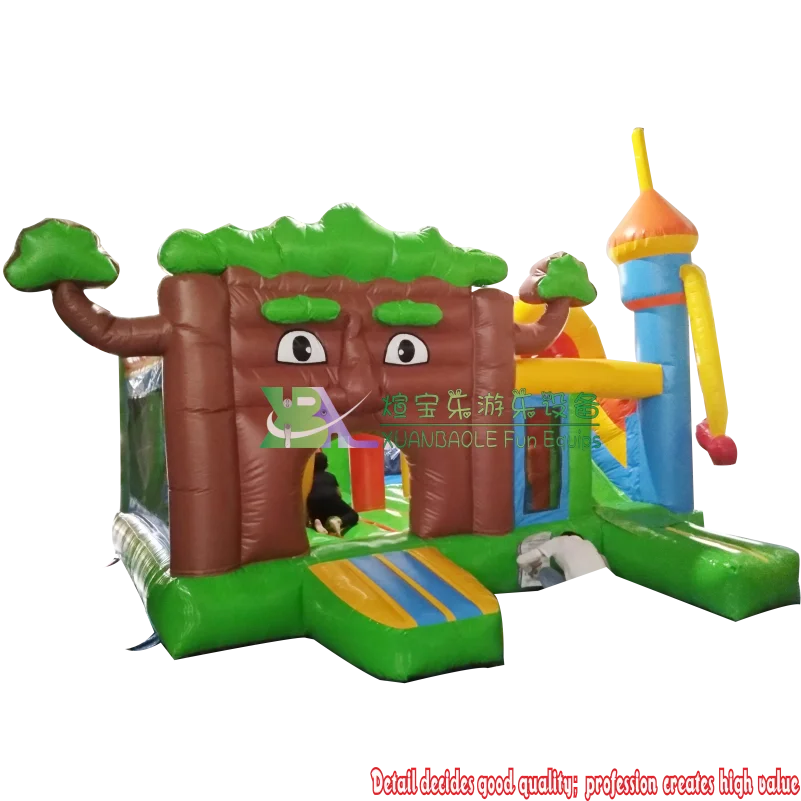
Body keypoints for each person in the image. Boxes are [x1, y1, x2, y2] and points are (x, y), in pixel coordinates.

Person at [306, 451, 359, 536]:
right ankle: (338, 521)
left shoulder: (309, 478)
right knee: (353, 515)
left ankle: (317, 523)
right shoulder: (330, 476)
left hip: (314, 500)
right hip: (331, 498)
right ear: (326, 464)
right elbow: (339, 494)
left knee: (317, 515)